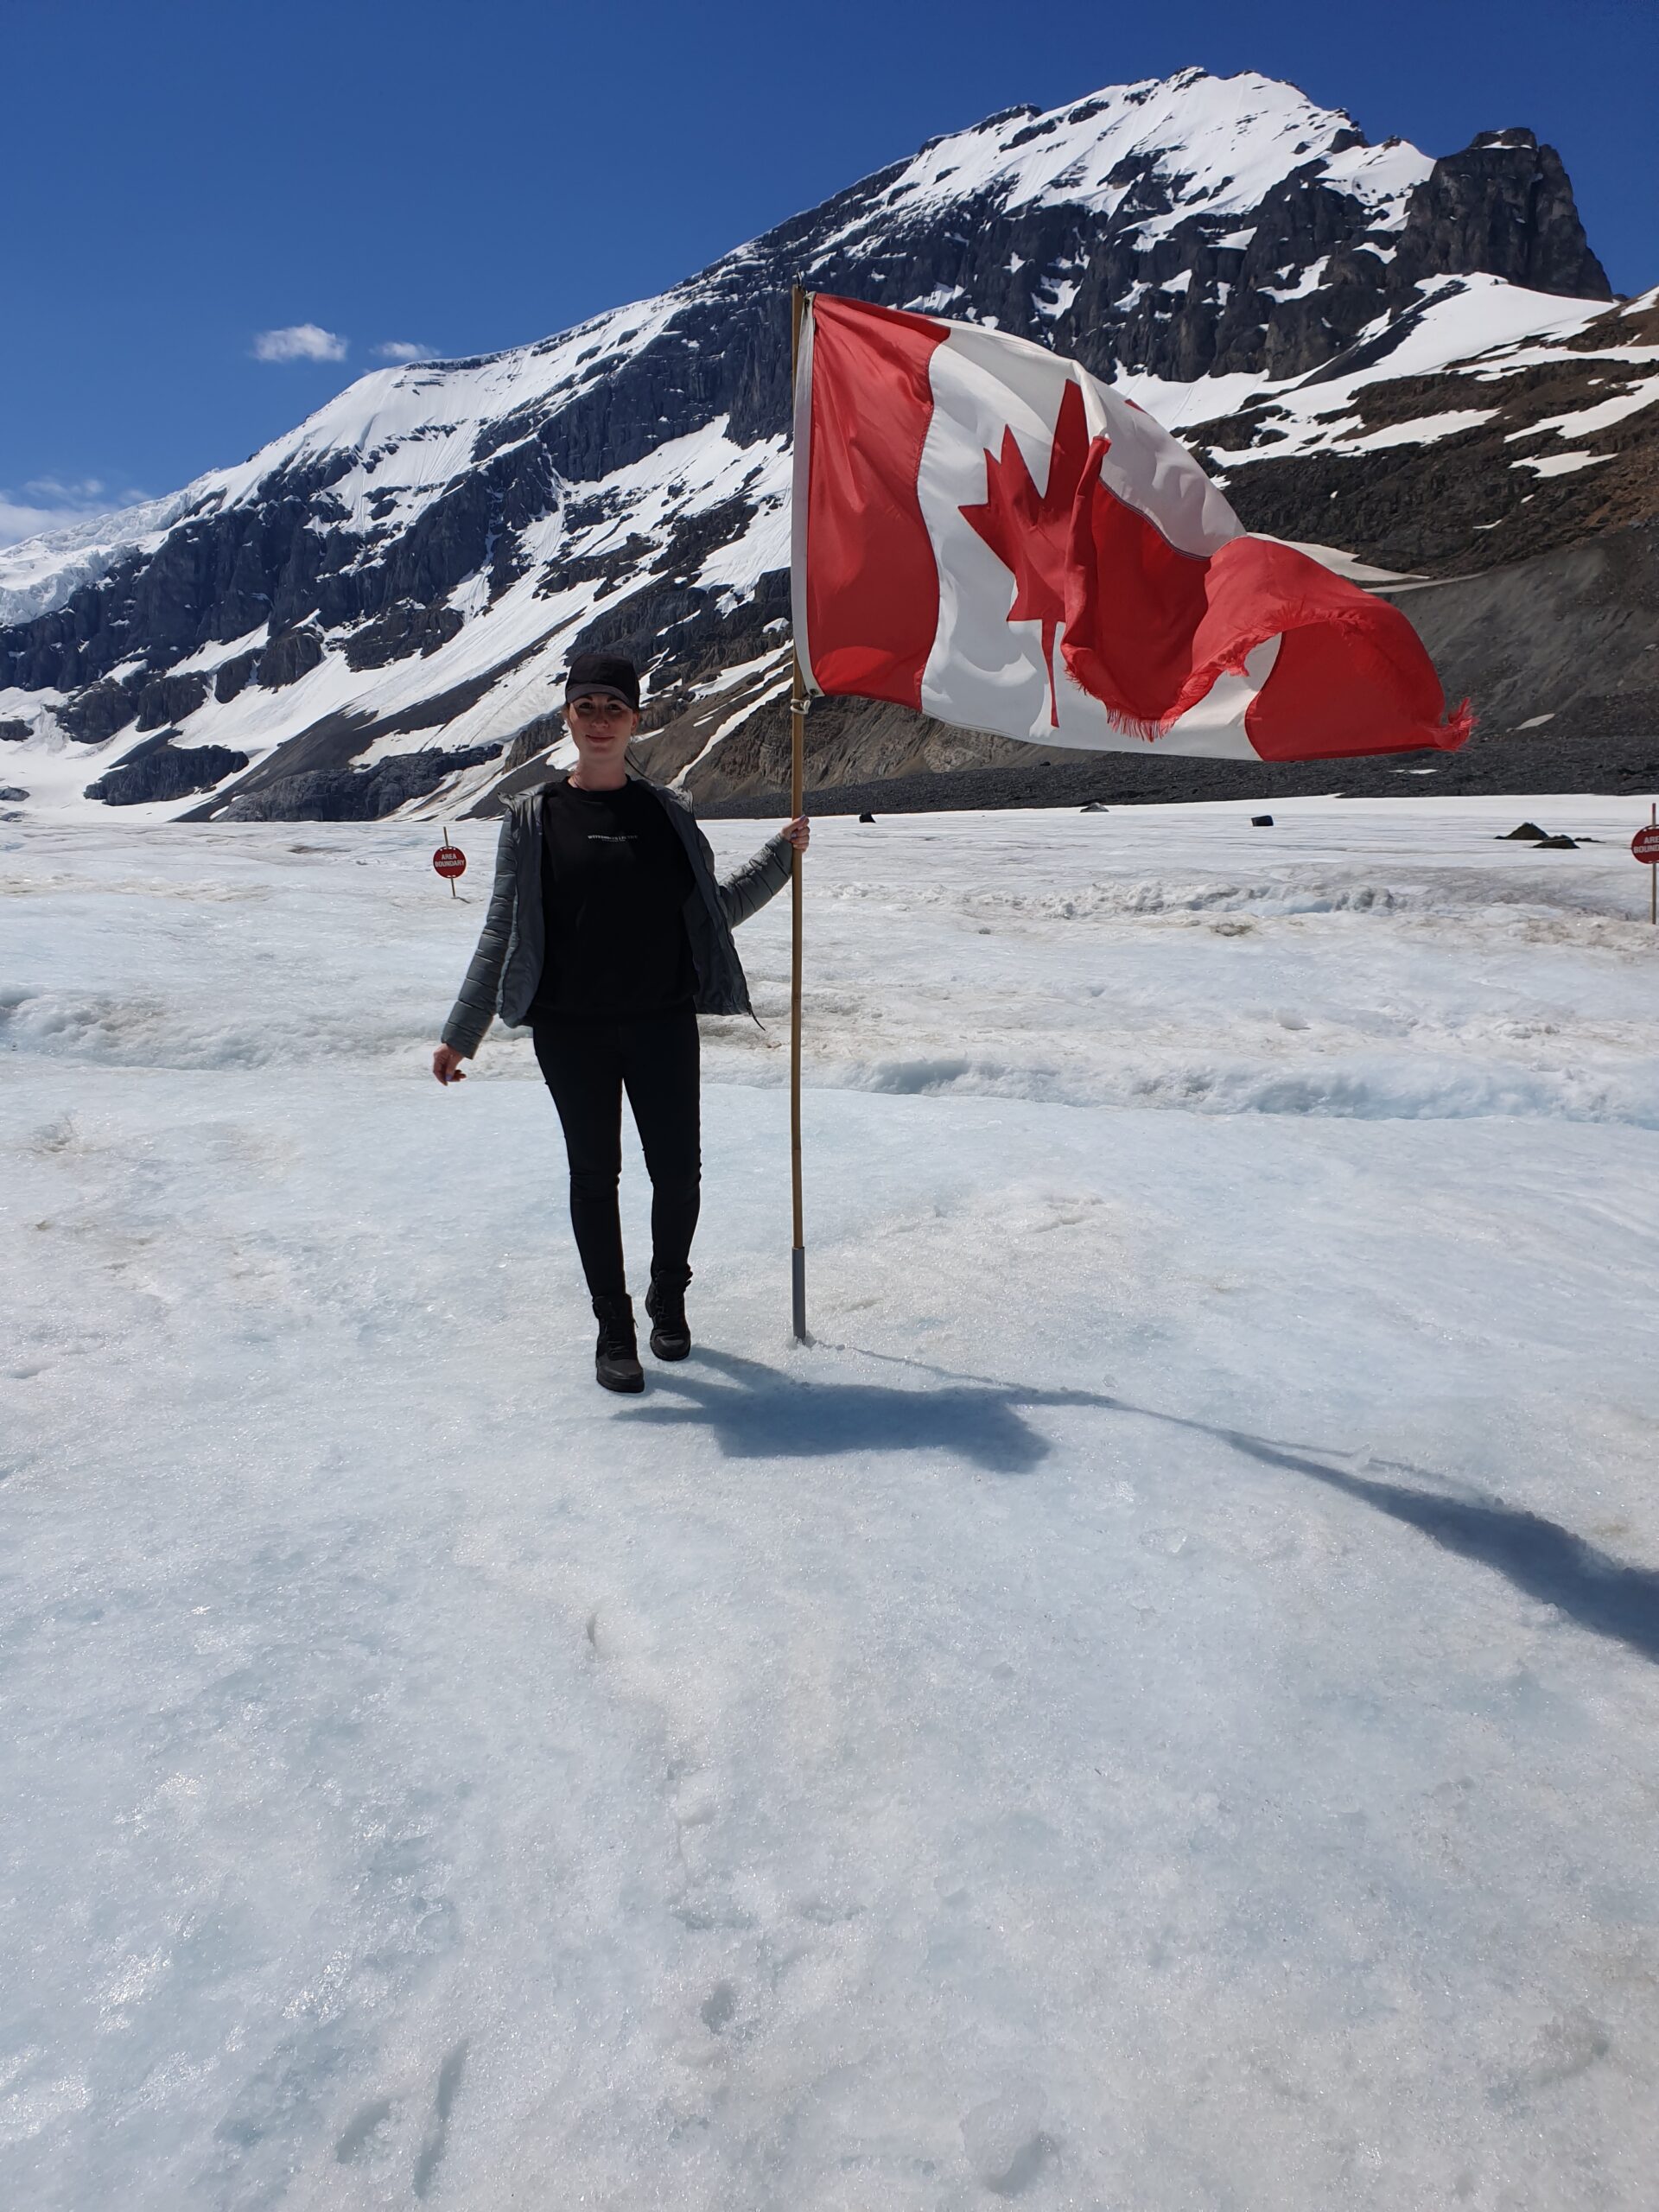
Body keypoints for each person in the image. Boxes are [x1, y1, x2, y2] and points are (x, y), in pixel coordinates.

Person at [432, 652, 809, 1393]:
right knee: (593, 1175)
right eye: (587, 706)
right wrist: (462, 1030)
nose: (600, 720)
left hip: (662, 1022)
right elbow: (502, 931)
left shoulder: (667, 812)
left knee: (677, 1171)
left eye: (615, 707)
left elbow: (713, 911)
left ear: (636, 720)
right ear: (568, 718)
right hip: (569, 1032)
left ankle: (669, 1295)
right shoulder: (533, 818)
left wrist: (780, 858)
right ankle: (614, 1324)